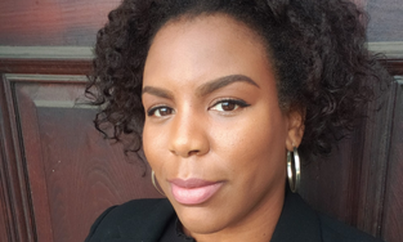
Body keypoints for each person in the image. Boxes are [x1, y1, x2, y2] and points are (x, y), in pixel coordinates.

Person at [84, 0, 390, 241]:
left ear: (293, 122)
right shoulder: (114, 229)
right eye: (161, 110)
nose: (183, 141)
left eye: (226, 104)